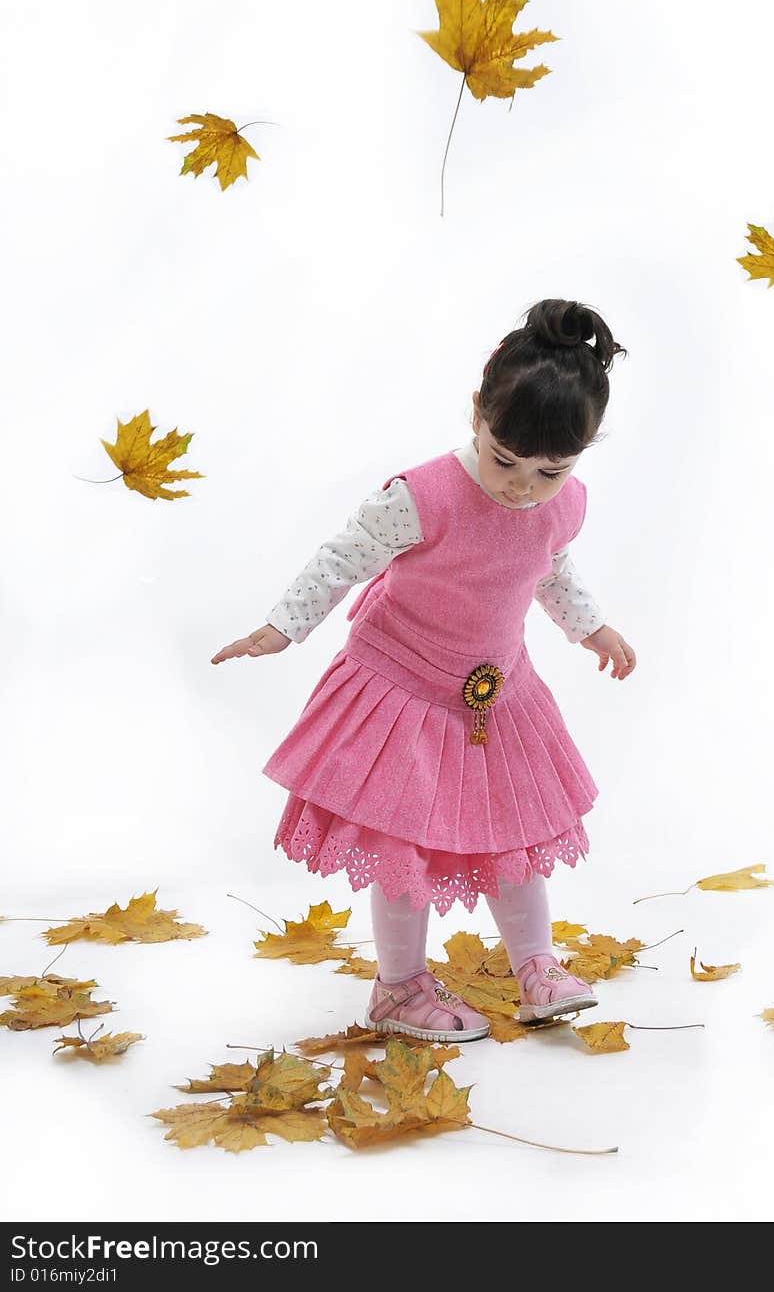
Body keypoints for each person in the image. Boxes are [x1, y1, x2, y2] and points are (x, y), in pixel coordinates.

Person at [211, 298, 636, 1043]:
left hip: (495, 693)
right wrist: (282, 628)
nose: (521, 487)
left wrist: (589, 624)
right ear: (477, 411)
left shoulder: (562, 504)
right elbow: (343, 557)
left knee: (512, 830)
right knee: (405, 844)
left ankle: (535, 965)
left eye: (549, 470)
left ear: (580, 453)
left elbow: (550, 570)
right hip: (402, 685)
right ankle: (399, 987)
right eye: (505, 460)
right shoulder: (423, 496)